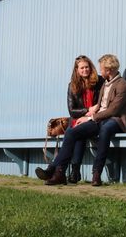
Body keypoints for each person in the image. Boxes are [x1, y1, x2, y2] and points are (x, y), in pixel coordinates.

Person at [38, 53, 126, 186]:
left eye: (101, 68)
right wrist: (88, 114)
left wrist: (90, 117)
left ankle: (96, 173)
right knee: (72, 131)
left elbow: (113, 110)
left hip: (115, 119)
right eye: (82, 68)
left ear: (109, 70)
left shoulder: (122, 85)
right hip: (98, 118)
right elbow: (97, 105)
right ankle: (58, 171)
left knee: (105, 129)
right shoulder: (104, 83)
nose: (99, 71)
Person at [38, 55, 103, 184]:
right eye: (82, 68)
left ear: (91, 67)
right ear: (77, 70)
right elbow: (72, 111)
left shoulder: (99, 81)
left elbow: (102, 104)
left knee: (71, 132)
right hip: (79, 120)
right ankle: (72, 173)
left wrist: (89, 115)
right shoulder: (72, 85)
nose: (85, 70)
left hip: (95, 121)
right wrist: (87, 110)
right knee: (76, 132)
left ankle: (55, 169)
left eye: (87, 67)